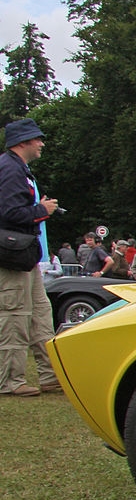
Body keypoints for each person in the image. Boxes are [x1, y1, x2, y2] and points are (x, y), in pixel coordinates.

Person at [0, 118, 60, 397]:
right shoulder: (10, 170)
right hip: (12, 259)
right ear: (22, 142)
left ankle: (50, 376)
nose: (41, 144)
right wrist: (41, 209)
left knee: (40, 315)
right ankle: (10, 380)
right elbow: (9, 213)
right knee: (15, 315)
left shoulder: (18, 169)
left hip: (26, 258)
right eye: (37, 139)